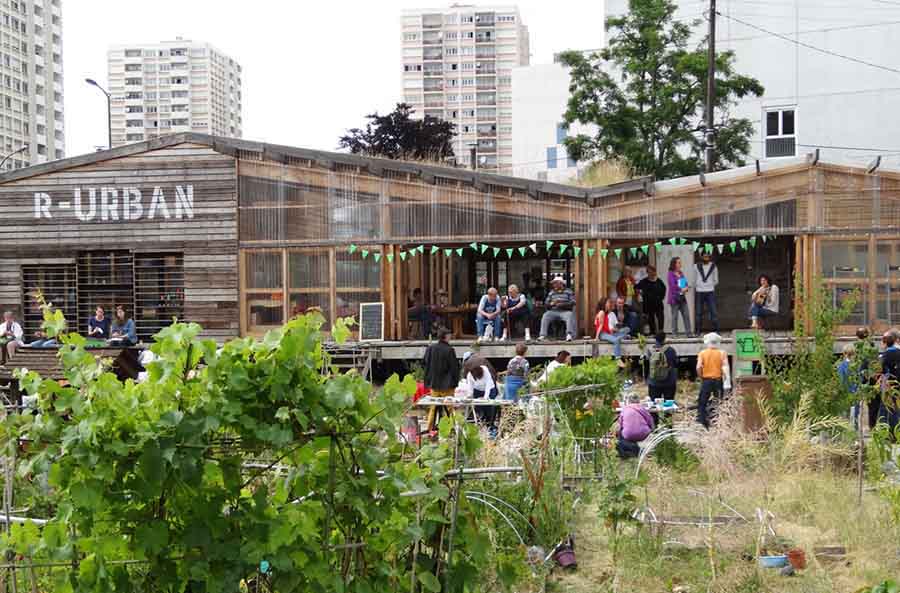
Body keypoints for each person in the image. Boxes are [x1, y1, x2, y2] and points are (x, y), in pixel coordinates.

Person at [423, 328, 461, 432]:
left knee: (433, 407)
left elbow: (425, 363)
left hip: (434, 384)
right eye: (449, 335)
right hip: (447, 385)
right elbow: (454, 368)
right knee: (450, 408)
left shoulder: (431, 348)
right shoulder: (449, 350)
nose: (451, 337)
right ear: (445, 336)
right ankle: (453, 428)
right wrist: (455, 382)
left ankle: (429, 428)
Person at [696, 332, 731, 428]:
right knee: (719, 400)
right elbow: (725, 368)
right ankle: (718, 421)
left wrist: (701, 376)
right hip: (718, 380)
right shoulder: (722, 353)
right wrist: (726, 381)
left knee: (702, 401)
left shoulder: (702, 353)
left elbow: (698, 367)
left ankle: (702, 421)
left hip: (706, 380)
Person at [617, 394, 655, 459]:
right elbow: (650, 420)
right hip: (644, 434)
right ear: (638, 400)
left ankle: (626, 451)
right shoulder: (642, 408)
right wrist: (652, 429)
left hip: (628, 434)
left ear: (628, 401)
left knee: (621, 433)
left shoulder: (625, 409)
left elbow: (620, 423)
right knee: (631, 431)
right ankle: (634, 449)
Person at [539, 276, 577, 341]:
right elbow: (546, 303)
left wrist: (562, 304)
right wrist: (551, 304)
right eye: (554, 283)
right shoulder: (551, 292)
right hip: (553, 311)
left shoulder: (568, 291)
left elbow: (573, 302)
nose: (554, 285)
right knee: (545, 315)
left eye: (555, 283)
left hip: (565, 311)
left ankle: (569, 335)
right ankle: (543, 335)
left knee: (570, 315)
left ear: (561, 283)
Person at [878, 330, 900, 440]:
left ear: (885, 343)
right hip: (897, 385)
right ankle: (897, 434)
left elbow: (880, 370)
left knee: (885, 409)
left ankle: (885, 434)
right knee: (896, 409)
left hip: (887, 385)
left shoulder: (886, 354)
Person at [467, 364, 500, 436]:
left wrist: (485, 397)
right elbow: (470, 387)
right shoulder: (470, 375)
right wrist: (469, 396)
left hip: (490, 389)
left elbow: (488, 384)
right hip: (478, 390)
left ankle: (491, 425)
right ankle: (482, 423)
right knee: (479, 408)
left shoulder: (485, 370)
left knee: (489, 408)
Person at [636, 265, 666, 335]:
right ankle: (653, 333)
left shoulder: (659, 281)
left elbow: (664, 289)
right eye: (649, 272)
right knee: (651, 318)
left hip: (658, 303)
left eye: (652, 272)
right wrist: (639, 294)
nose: (651, 273)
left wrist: (661, 297)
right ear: (647, 273)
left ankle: (661, 331)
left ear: (654, 272)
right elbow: (636, 287)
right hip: (648, 304)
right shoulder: (644, 281)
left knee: (660, 317)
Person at [647, 332, 677, 401]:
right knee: (669, 405)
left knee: (654, 405)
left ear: (655, 339)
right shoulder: (671, 350)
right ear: (664, 339)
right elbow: (675, 363)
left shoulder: (650, 351)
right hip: (669, 381)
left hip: (653, 382)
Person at [666, 257, 692, 336]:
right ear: (674, 264)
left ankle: (688, 333)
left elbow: (684, 283)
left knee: (686, 315)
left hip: (682, 297)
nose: (680, 264)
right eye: (679, 263)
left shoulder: (680, 273)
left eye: (680, 262)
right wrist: (682, 289)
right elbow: (672, 286)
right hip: (674, 298)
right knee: (675, 316)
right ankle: (674, 333)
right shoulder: (670, 273)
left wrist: (686, 287)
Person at [694, 253, 719, 333]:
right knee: (698, 312)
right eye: (704, 256)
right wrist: (698, 285)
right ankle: (698, 330)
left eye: (707, 256)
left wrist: (709, 285)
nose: (706, 258)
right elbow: (693, 279)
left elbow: (716, 280)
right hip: (699, 292)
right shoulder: (695, 266)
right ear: (701, 257)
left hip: (710, 292)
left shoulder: (713, 266)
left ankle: (716, 330)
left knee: (713, 312)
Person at [838, 344, 861, 425]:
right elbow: (860, 380)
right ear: (854, 353)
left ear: (844, 353)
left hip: (845, 393)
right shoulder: (858, 366)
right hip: (856, 393)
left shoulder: (841, 366)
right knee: (856, 416)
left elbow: (841, 380)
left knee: (844, 417)